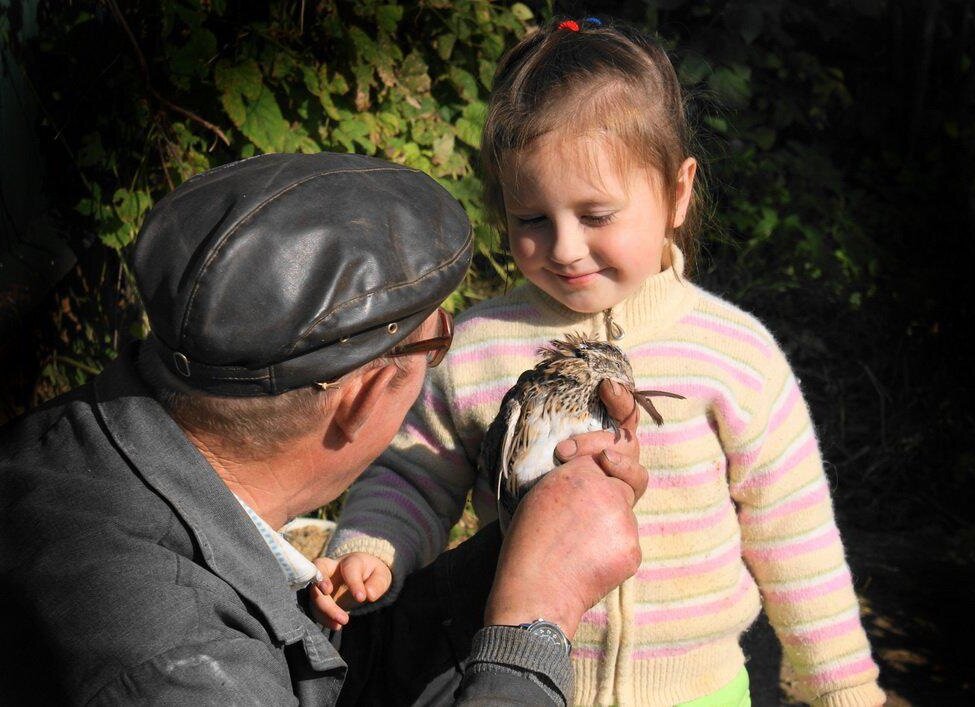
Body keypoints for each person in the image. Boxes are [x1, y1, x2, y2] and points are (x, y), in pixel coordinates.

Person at [319, 18, 887, 706]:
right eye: (532, 219)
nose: (563, 247)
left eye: (594, 215)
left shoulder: (734, 354)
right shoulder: (476, 343)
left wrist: (845, 686)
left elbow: (797, 541)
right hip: (516, 682)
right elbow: (412, 472)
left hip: (699, 694)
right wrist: (372, 548)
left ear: (678, 193)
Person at [0, 152, 648, 706]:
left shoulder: (70, 447)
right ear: (363, 398)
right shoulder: (182, 674)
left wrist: (527, 540)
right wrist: (530, 627)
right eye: (439, 341)